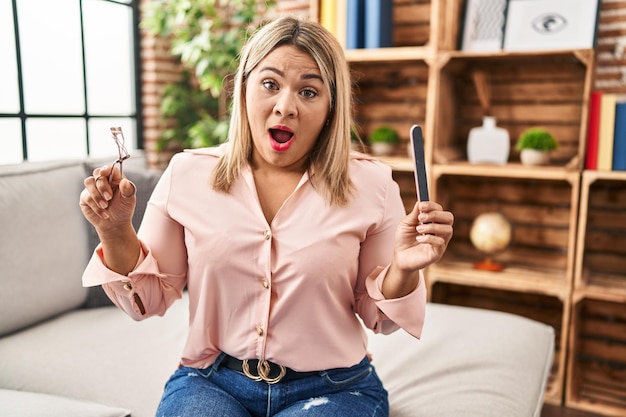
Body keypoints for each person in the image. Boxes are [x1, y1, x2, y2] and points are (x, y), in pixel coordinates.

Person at [80, 15, 454, 417]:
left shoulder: (373, 185)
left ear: (330, 108)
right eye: (270, 84)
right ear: (243, 90)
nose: (285, 107)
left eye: (308, 92)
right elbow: (146, 303)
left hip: (337, 387)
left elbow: (379, 319)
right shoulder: (187, 174)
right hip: (213, 380)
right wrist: (115, 230)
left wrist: (403, 268)